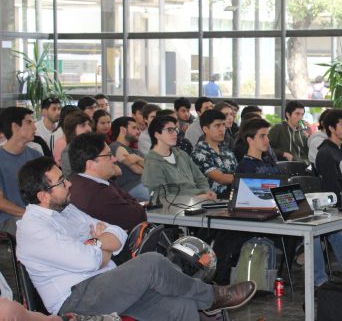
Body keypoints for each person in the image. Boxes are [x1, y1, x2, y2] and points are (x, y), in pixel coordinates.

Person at [15, 156, 256, 319]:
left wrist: (96, 244)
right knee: (151, 263)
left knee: (182, 307)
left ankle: (205, 300)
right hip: (76, 300)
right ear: (43, 196)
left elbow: (117, 233)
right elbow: (88, 261)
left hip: (107, 283)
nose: (68, 183)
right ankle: (213, 296)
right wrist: (100, 246)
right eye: (61, 181)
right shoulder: (34, 230)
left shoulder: (67, 210)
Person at [237, 116, 342, 286]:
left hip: (284, 206)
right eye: (262, 136)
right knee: (312, 231)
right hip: (268, 217)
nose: (267, 140)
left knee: (331, 226)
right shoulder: (245, 166)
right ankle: (320, 281)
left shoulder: (269, 162)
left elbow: (282, 187)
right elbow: (254, 200)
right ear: (250, 140)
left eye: (267, 136)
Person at [68, 133, 146, 231]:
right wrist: (132, 203)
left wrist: (131, 203)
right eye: (109, 155)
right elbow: (138, 217)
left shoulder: (79, 180)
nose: (114, 159)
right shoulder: (97, 194)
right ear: (91, 164)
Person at [142, 115, 216, 200]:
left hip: (198, 201)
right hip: (175, 209)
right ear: (157, 134)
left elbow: (201, 179)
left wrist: (207, 192)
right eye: (170, 130)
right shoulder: (152, 162)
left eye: (175, 129)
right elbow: (160, 198)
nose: (175, 134)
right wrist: (195, 198)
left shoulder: (181, 154)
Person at [0, 107, 43, 234]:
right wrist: (29, 214)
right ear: (15, 127)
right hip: (9, 220)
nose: (35, 127)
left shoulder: (36, 155)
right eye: (29, 122)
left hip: (36, 216)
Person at [191, 110, 238, 199]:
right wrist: (244, 179)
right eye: (217, 125)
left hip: (233, 198)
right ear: (205, 129)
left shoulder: (227, 151)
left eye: (223, 125)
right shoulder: (199, 152)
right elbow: (220, 178)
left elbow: (237, 173)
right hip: (212, 201)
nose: (222, 129)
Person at [109, 116, 150, 201]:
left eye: (138, 129)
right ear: (123, 130)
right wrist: (142, 163)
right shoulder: (115, 146)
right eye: (134, 128)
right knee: (161, 196)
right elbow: (137, 169)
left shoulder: (137, 152)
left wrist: (137, 158)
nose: (138, 132)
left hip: (144, 184)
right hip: (130, 188)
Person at [56, 111, 94, 176]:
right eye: (83, 125)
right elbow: (71, 179)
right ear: (72, 129)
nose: (88, 128)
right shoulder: (68, 151)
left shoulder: (96, 145)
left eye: (89, 124)